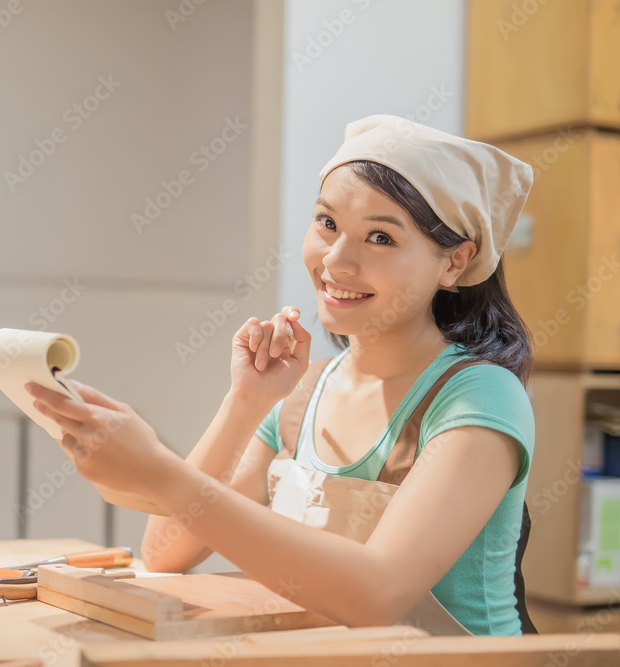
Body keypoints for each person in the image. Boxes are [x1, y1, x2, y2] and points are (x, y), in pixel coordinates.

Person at [26, 115, 536, 636]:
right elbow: (165, 552)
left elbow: (375, 595)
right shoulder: (306, 392)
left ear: (455, 262)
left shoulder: (480, 394)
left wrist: (158, 471)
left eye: (380, 237)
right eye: (327, 223)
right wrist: (245, 402)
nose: (336, 260)